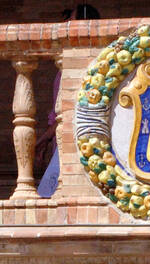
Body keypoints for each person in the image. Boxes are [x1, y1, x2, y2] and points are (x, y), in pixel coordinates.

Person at [37, 5, 101, 198]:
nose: (66, 26)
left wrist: (44, 138)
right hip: (60, 138)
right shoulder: (65, 62)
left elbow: (69, 109)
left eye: (71, 21)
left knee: (50, 195)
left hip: (74, 137)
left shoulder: (85, 62)